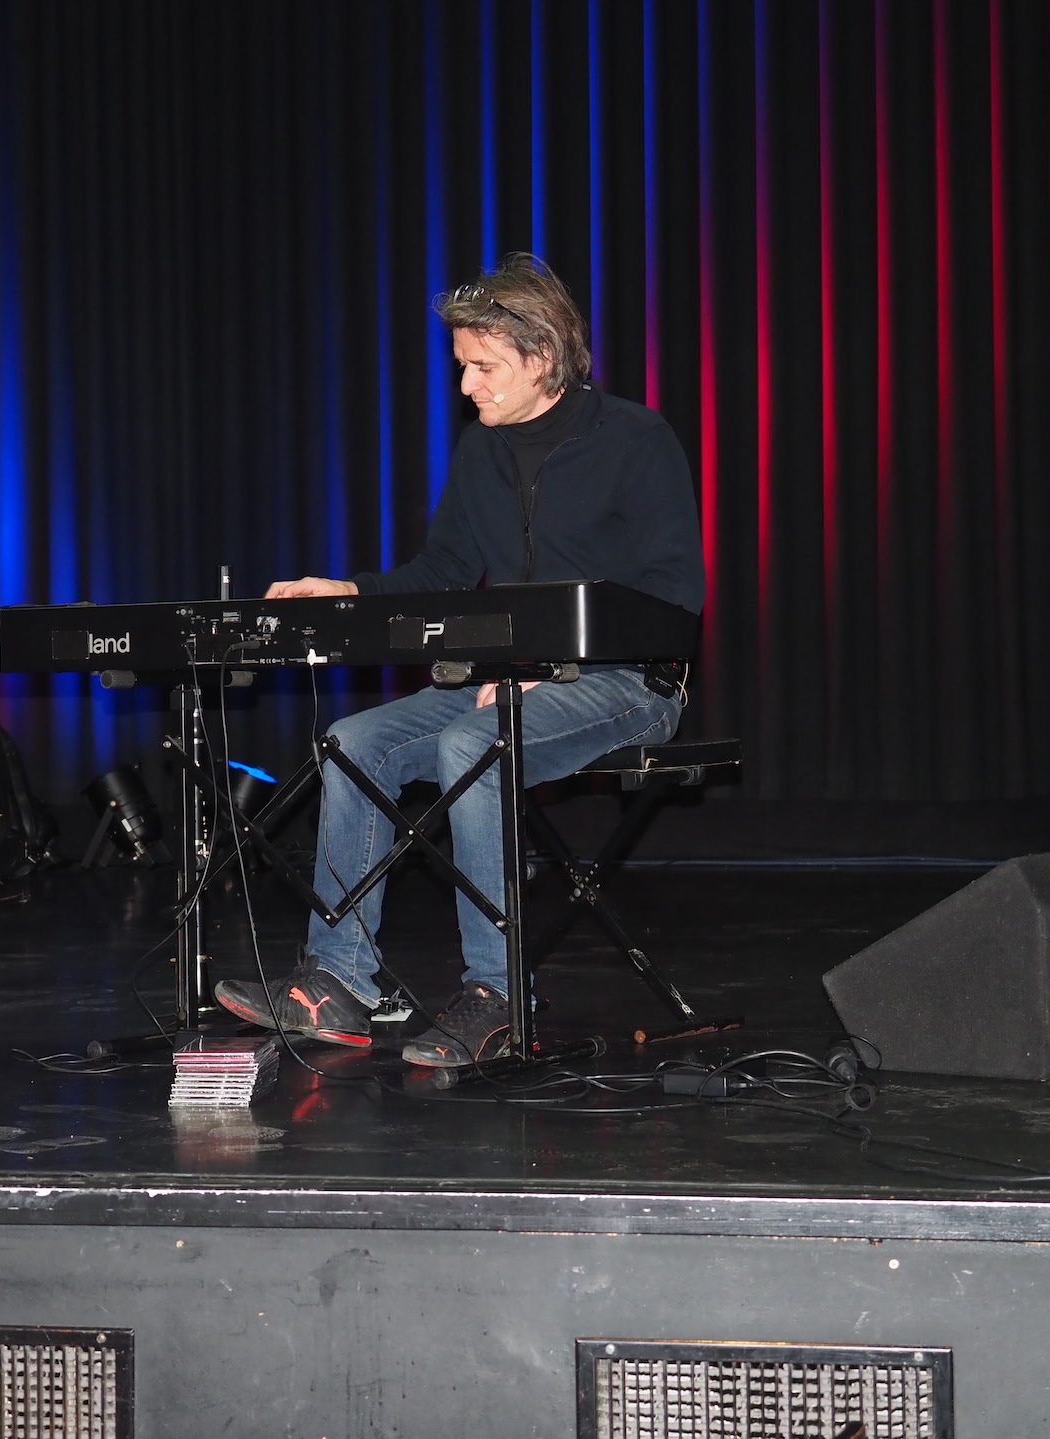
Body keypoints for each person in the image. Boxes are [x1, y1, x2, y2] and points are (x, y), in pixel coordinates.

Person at [214, 254, 703, 1067]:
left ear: (540, 356)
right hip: (507, 679)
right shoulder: (482, 451)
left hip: (628, 681)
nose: (466, 385)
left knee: (475, 744)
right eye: (462, 367)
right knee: (354, 741)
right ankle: (338, 978)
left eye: (483, 367)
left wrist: (553, 660)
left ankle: (499, 993)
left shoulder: (636, 439)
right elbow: (442, 571)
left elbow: (674, 593)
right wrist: (347, 590)